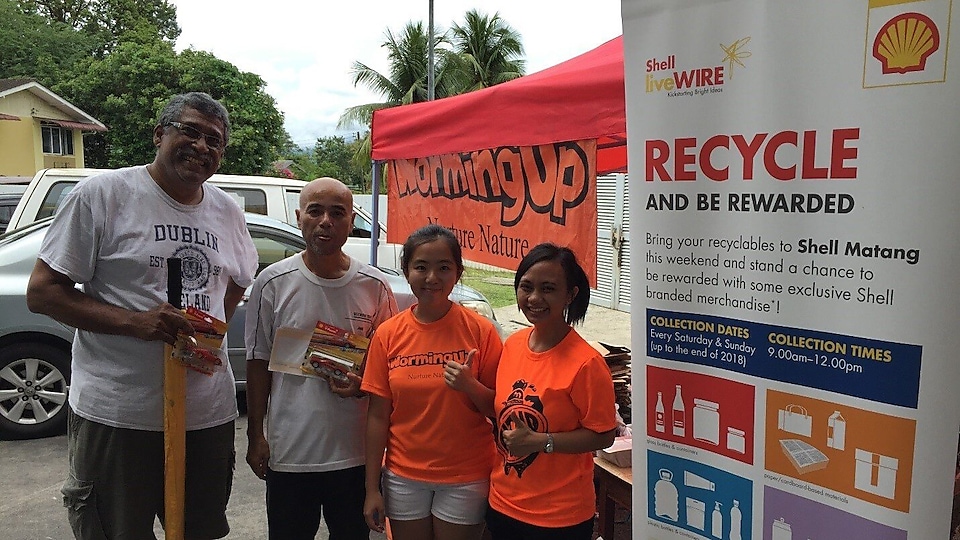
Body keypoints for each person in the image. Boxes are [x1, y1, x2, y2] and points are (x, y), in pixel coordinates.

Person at [26, 92, 258, 539]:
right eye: (189, 131)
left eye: (215, 139)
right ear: (159, 134)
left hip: (206, 416)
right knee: (115, 530)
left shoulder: (226, 210)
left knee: (197, 531)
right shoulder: (103, 195)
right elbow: (44, 293)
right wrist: (137, 323)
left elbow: (238, 280)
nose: (203, 146)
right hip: (119, 414)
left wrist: (209, 334)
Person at [244, 177, 399, 540]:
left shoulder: (374, 286)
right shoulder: (272, 282)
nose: (325, 221)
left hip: (355, 456)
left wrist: (361, 385)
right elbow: (257, 363)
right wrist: (256, 435)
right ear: (300, 217)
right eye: (315, 211)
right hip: (290, 454)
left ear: (351, 223)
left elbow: (389, 365)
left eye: (337, 213)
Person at [360, 224, 503, 540]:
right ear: (406, 271)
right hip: (403, 477)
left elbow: (499, 410)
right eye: (421, 267)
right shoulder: (388, 334)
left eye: (443, 267)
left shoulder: (481, 332)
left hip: (467, 475)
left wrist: (471, 386)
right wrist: (372, 487)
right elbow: (377, 415)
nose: (432, 278)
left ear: (458, 271)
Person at [486, 243, 617, 540]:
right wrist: (468, 386)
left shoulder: (586, 363)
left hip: (558, 517)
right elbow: (504, 412)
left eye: (548, 289)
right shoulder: (514, 344)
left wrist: (540, 441)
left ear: (570, 294)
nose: (534, 298)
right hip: (502, 502)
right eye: (526, 286)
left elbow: (604, 434)